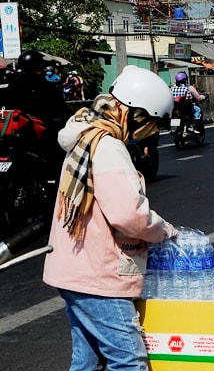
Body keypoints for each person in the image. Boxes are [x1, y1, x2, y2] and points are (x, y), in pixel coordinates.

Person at [42, 65, 179, 371]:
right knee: (128, 361)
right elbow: (129, 215)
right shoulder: (108, 146)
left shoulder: (85, 135)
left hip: (74, 268)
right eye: (150, 124)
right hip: (98, 275)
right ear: (133, 113)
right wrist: (165, 230)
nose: (150, 133)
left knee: (87, 361)